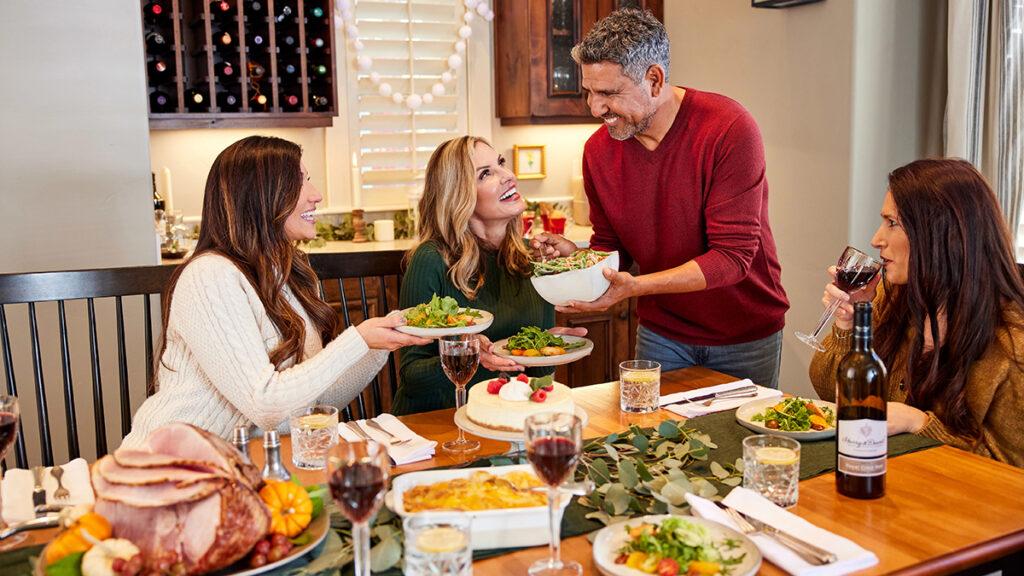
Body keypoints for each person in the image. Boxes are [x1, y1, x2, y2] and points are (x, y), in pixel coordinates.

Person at [531, 8, 789, 387]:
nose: (595, 107)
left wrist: (636, 287)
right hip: (662, 334)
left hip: (744, 333)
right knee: (653, 440)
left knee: (739, 442)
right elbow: (611, 246)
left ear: (654, 80)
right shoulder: (598, 152)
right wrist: (579, 257)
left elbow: (733, 258)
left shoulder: (729, 129)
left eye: (608, 93)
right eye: (589, 91)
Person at [124, 136, 429, 445]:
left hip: (249, 462)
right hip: (172, 464)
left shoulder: (288, 275)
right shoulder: (209, 276)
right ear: (259, 197)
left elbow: (313, 401)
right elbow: (265, 404)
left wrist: (380, 341)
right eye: (299, 183)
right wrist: (357, 339)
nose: (316, 195)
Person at [809, 159, 1024, 467]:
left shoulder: (1011, 345)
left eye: (891, 223)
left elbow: (1011, 474)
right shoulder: (893, 297)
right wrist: (848, 323)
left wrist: (920, 424)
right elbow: (834, 396)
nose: (875, 239)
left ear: (941, 234)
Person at [393, 136, 585, 415]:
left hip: (507, 417)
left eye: (501, 164)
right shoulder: (431, 260)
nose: (508, 176)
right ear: (458, 196)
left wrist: (546, 347)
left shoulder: (531, 259)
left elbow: (534, 373)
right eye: (486, 174)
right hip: (438, 425)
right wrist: (470, 356)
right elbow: (412, 375)